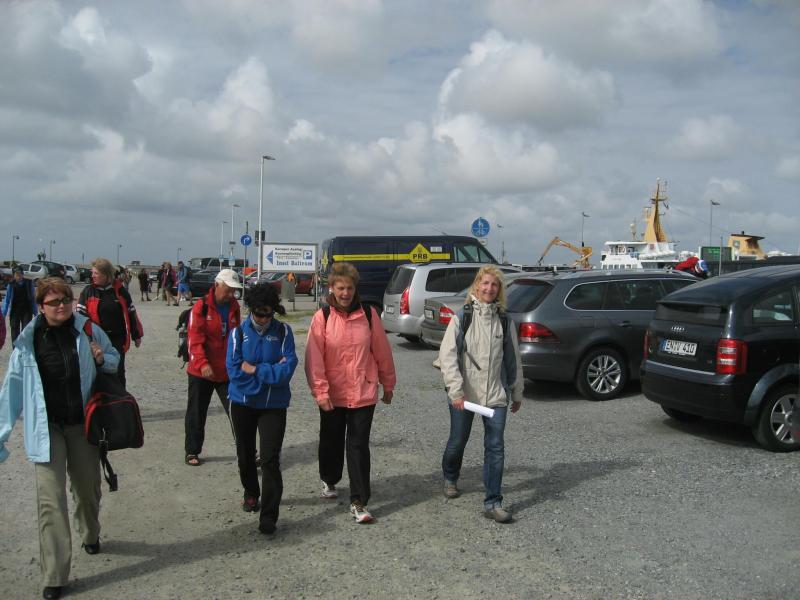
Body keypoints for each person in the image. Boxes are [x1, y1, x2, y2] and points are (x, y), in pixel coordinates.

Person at [0, 277, 120, 600]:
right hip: (47, 429)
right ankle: (54, 576)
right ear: (41, 306)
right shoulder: (28, 342)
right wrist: (1, 435)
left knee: (87, 489)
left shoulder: (88, 329)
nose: (62, 306)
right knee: (50, 501)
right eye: (54, 302)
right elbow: (11, 391)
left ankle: (90, 533)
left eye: (66, 299)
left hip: (82, 425)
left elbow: (114, 358)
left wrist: (101, 358)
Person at [304, 262, 396, 524]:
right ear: (331, 288)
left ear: (356, 289)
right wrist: (320, 391)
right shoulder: (322, 317)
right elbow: (314, 358)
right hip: (332, 394)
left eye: (350, 288)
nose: (345, 293)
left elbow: (382, 352)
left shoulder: (368, 314)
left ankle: (359, 501)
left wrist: (388, 384)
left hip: (363, 391)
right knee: (331, 441)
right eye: (341, 288)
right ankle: (329, 478)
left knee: (358, 446)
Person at [438, 265, 523, 523]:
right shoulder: (461, 317)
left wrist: (517, 392)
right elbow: (448, 357)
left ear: (499, 289)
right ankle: (450, 477)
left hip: (496, 395)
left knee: (495, 447)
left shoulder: (505, 321)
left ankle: (493, 502)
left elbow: (513, 360)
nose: (489, 288)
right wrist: (456, 392)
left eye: (494, 284)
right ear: (476, 285)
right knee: (458, 441)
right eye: (485, 283)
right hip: (465, 395)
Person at [227, 282, 298, 535]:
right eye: (259, 314)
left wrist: (256, 369)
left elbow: (287, 370)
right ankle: (251, 492)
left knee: (269, 460)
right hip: (243, 403)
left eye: (269, 314)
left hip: (273, 405)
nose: (264, 319)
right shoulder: (237, 334)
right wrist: (270, 373)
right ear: (251, 309)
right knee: (245, 454)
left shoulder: (284, 332)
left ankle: (269, 516)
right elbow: (235, 372)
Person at [184, 269, 242, 466]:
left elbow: (236, 337)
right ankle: (192, 451)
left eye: (234, 290)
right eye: (228, 289)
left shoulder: (234, 306)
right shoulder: (201, 307)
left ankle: (246, 451)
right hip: (201, 371)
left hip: (226, 371)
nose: (231, 294)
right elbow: (194, 339)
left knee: (237, 412)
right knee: (196, 412)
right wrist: (202, 363)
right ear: (217, 285)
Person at [77, 258, 143, 388]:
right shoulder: (88, 291)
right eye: (92, 272)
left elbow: (131, 313)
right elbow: (80, 315)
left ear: (106, 275)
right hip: (95, 339)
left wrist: (136, 335)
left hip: (117, 339)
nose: (92, 276)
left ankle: (120, 397)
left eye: (96, 273)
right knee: (96, 369)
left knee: (117, 371)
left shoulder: (120, 291)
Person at [2, 266, 38, 344]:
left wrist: (35, 312)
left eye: (20, 274)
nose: (19, 276)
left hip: (26, 311)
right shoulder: (11, 285)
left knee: (26, 331)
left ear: (22, 274)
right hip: (14, 311)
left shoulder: (29, 283)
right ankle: (15, 349)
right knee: (14, 330)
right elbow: (7, 300)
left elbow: (33, 299)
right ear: (13, 275)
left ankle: (24, 348)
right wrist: (3, 314)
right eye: (17, 274)